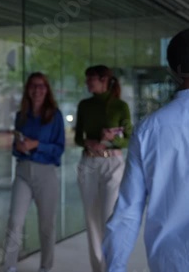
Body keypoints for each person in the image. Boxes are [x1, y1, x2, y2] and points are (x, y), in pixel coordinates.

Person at [103, 29, 189, 272]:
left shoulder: (148, 130)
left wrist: (115, 268)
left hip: (170, 263)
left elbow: (127, 214)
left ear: (173, 70)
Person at [3, 72, 65, 272]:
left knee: (47, 226)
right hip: (23, 171)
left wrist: (37, 144)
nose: (37, 90)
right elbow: (15, 145)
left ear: (47, 90)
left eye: (41, 86)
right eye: (33, 86)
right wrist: (18, 147)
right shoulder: (21, 116)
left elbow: (59, 148)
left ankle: (46, 267)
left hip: (46, 173)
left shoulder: (55, 115)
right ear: (27, 90)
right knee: (14, 221)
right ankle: (10, 267)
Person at [74, 65, 132, 272]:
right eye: (87, 79)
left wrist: (111, 139)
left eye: (91, 79)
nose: (88, 83)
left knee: (109, 218)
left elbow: (128, 139)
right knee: (91, 219)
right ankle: (98, 268)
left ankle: (113, 267)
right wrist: (89, 142)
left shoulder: (120, 106)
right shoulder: (84, 105)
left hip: (112, 164)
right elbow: (77, 138)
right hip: (89, 163)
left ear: (104, 79)